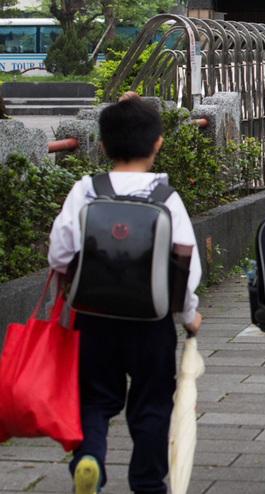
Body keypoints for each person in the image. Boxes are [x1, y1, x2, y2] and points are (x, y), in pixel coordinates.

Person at [48, 99, 203, 494]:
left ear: (101, 146)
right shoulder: (166, 197)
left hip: (94, 317)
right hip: (151, 322)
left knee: (95, 398)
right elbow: (185, 264)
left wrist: (70, 288)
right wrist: (189, 314)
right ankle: (147, 481)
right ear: (158, 143)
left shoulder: (86, 190)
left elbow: (60, 252)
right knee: (152, 402)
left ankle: (89, 459)